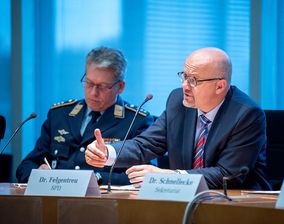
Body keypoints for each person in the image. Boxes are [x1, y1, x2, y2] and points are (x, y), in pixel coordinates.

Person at [85, 47, 272, 190]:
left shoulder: (246, 114)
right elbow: (146, 144)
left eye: (194, 80)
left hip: (239, 204)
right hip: (185, 201)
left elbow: (228, 174)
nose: (185, 86)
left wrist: (170, 177)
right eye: (184, 76)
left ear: (220, 86)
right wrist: (107, 152)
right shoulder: (178, 102)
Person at [16, 47, 154, 185]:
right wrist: (37, 173)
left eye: (103, 86)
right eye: (89, 83)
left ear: (120, 86)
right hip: (55, 198)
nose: (93, 92)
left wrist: (98, 178)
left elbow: (145, 176)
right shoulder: (60, 114)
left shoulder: (137, 121)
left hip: (104, 203)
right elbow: (26, 165)